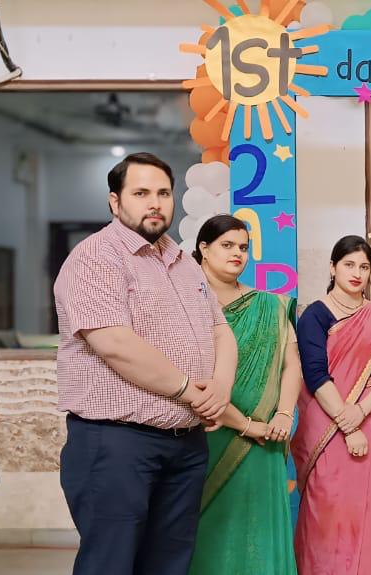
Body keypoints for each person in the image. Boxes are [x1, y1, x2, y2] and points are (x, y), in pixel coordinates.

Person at [53, 152, 237, 575]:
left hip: (185, 443)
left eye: (163, 193)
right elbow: (114, 343)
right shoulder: (95, 257)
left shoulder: (182, 261)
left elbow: (220, 329)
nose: (155, 203)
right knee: (111, 564)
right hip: (117, 443)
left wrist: (221, 388)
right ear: (115, 202)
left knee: (170, 564)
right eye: (141, 193)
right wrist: (192, 391)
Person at [189, 215, 301, 575]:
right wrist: (244, 424)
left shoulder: (271, 305)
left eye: (243, 247)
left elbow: (291, 363)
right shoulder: (183, 304)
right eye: (227, 245)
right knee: (204, 531)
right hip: (202, 433)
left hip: (265, 439)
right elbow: (186, 377)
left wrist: (283, 414)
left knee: (259, 530)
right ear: (204, 249)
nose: (237, 253)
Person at [292, 235, 371, 574]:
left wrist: (360, 413)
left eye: (364, 266)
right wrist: (347, 425)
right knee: (327, 511)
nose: (357, 273)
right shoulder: (315, 315)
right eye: (349, 265)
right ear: (333, 268)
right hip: (326, 429)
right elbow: (315, 374)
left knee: (367, 512)